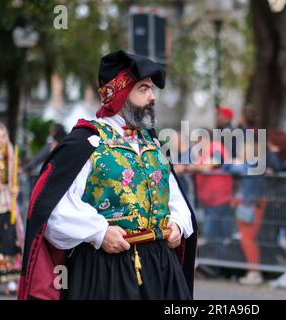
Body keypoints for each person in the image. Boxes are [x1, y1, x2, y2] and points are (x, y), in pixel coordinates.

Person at [18, 50, 197, 300]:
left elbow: (175, 197)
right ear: (121, 93)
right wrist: (98, 233)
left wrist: (178, 223)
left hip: (161, 267)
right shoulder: (86, 143)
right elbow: (54, 209)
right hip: (106, 270)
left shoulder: (152, 144)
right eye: (144, 89)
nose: (152, 96)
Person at [222, 138, 266, 285]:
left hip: (251, 205)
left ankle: (254, 272)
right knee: (246, 239)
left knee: (248, 240)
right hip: (248, 204)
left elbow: (229, 167)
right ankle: (252, 271)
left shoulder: (254, 165)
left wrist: (233, 162)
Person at [0, 122, 24, 295]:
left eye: (3, 136)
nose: (0, 140)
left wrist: (14, 188)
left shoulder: (9, 156)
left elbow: (12, 179)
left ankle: (11, 280)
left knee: (10, 238)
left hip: (8, 204)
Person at [260, 131, 286, 268]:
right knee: (269, 235)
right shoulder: (273, 157)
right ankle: (277, 259)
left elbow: (279, 168)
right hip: (274, 199)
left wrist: (272, 155)